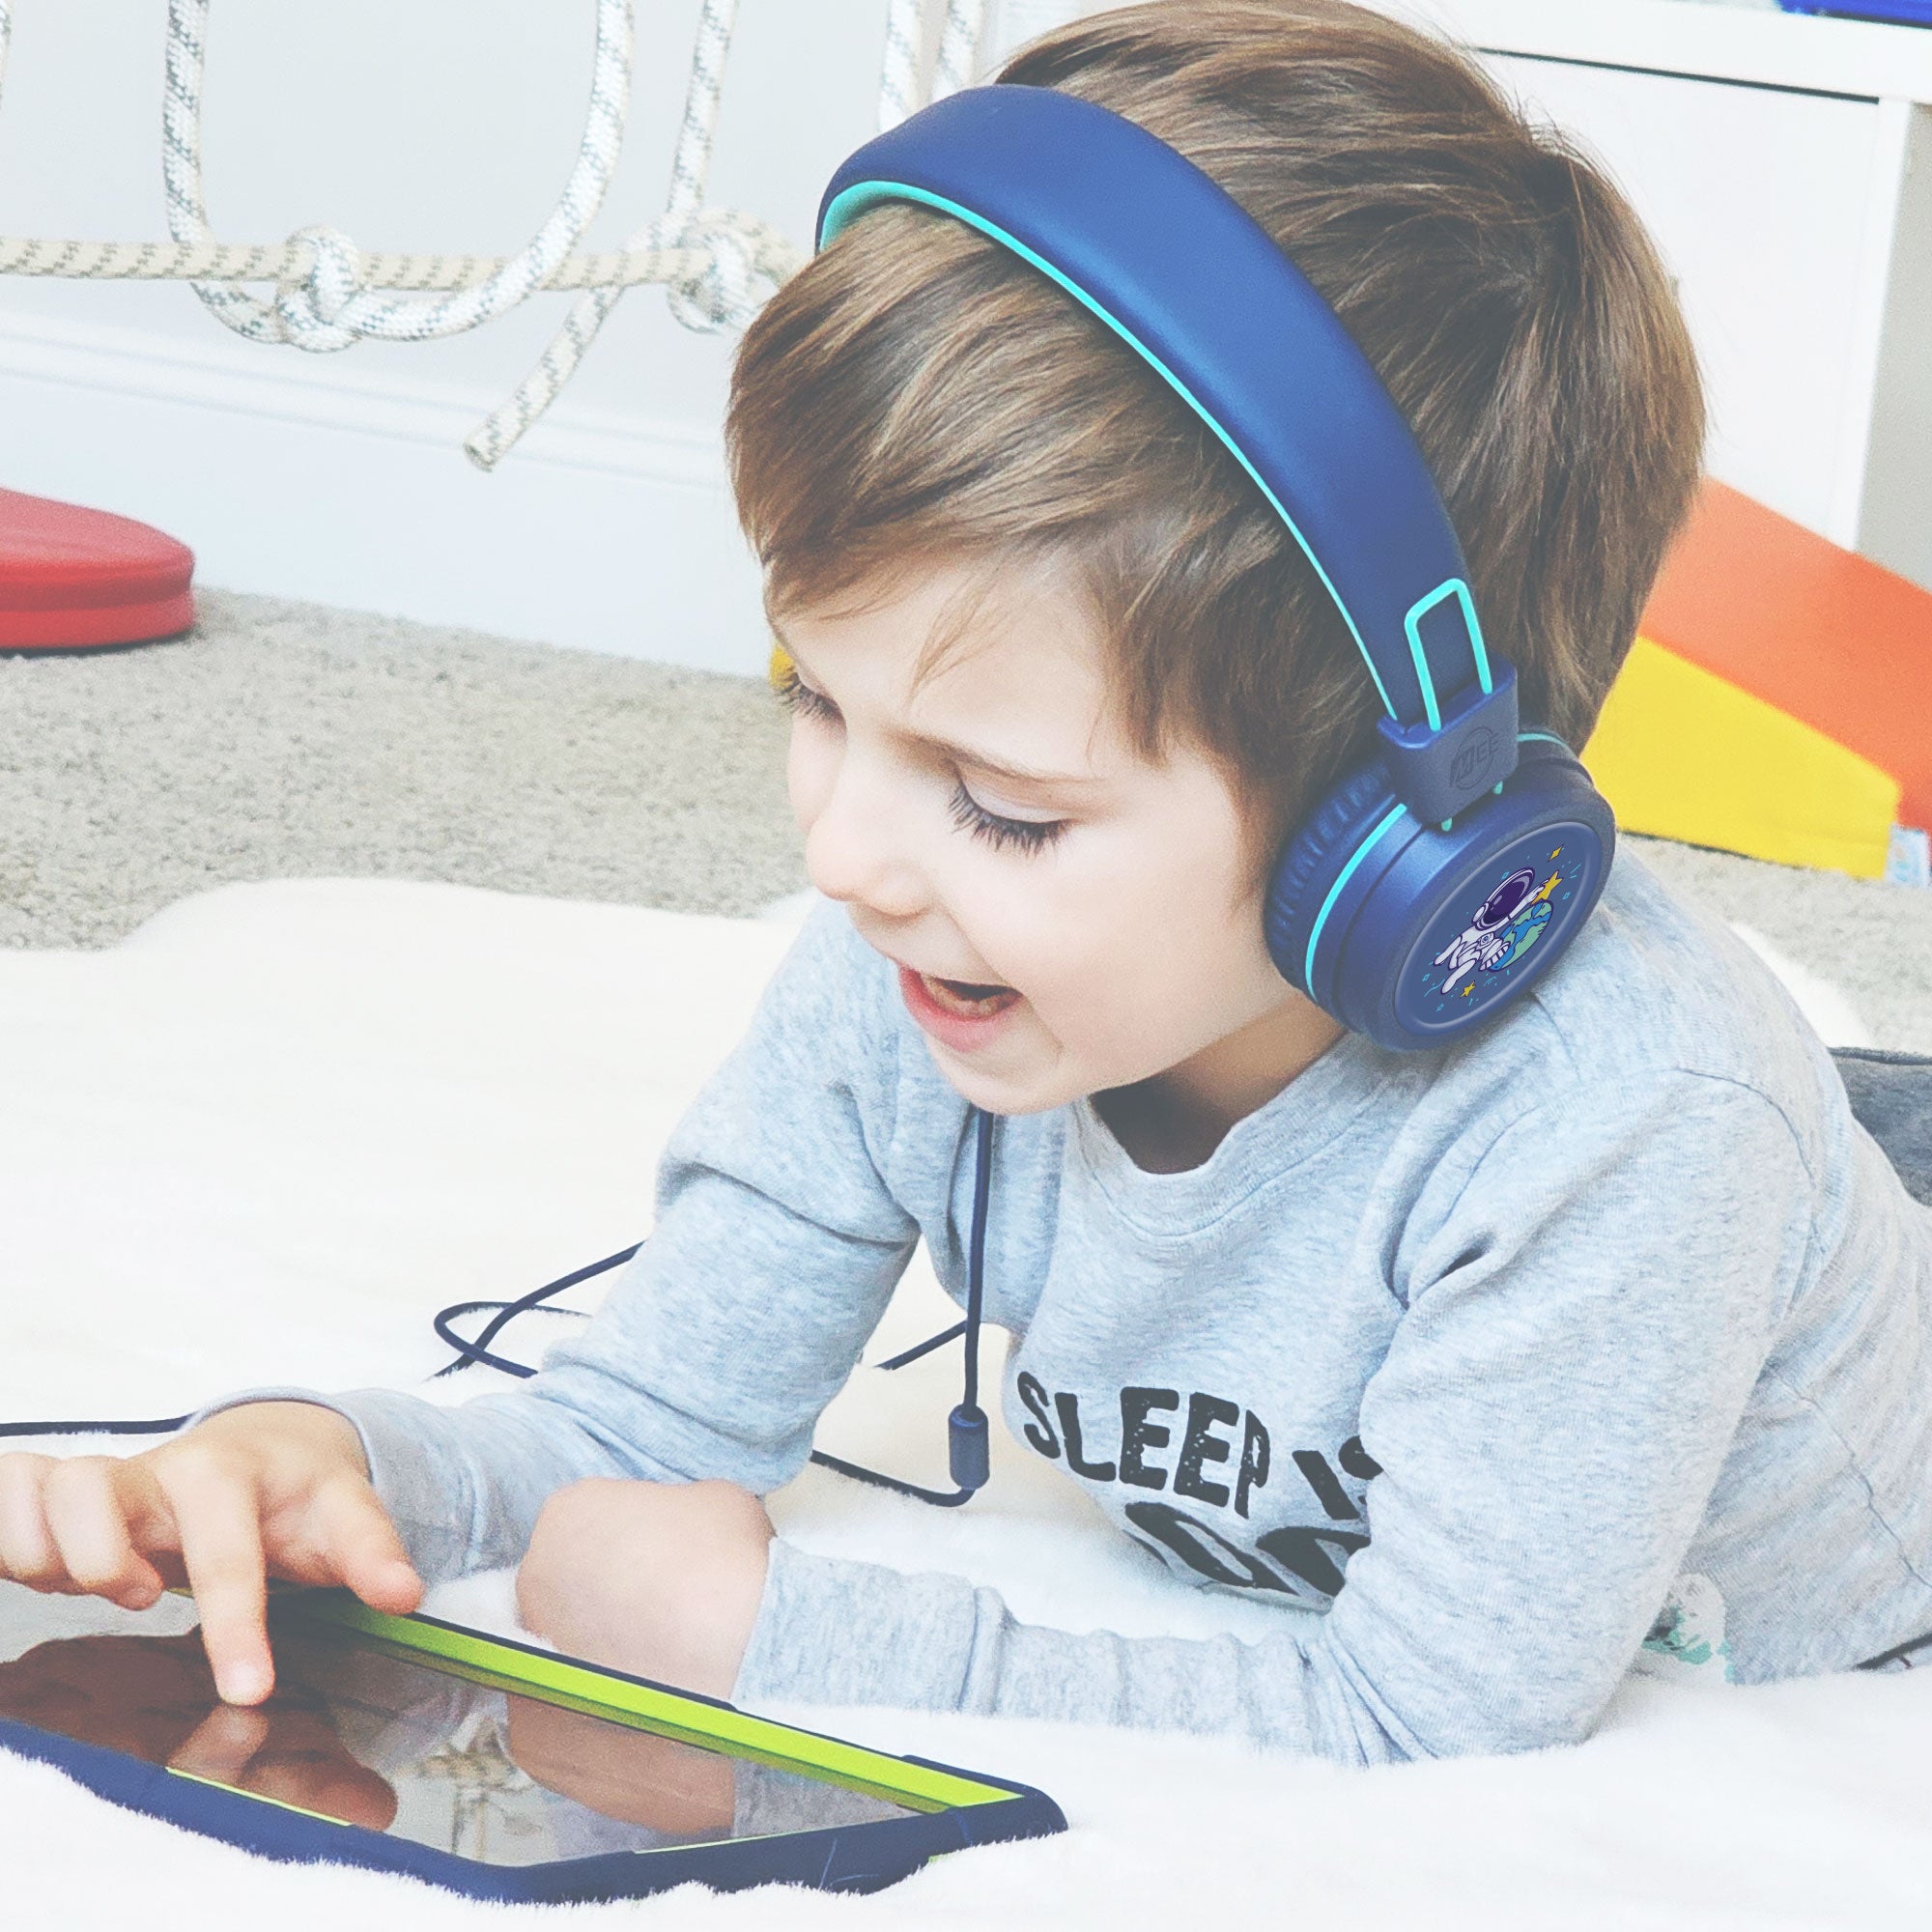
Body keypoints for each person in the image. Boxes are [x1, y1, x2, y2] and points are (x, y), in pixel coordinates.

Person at [3, 0, 1930, 1767]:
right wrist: (317, 1453)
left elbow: (1429, 1716)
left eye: (1003, 802)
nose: (840, 858)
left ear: (1406, 844)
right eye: (811, 699)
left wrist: (781, 1633)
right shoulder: (917, 956)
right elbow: (636, 1431)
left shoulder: (1619, 1129)